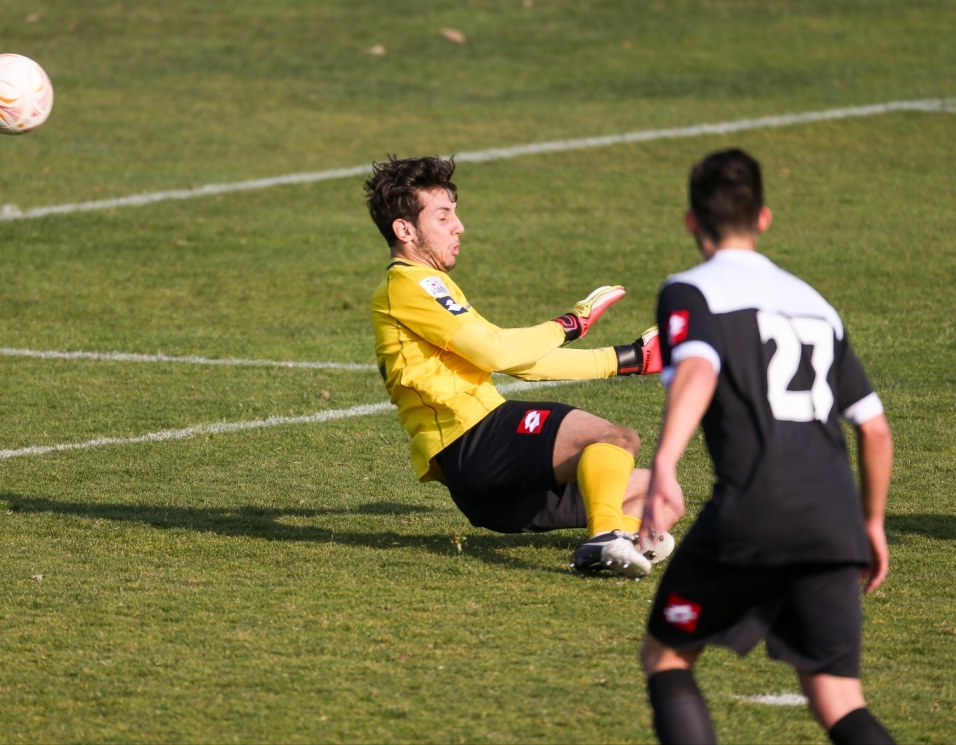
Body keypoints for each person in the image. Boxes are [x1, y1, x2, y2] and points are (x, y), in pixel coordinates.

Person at [637, 148, 895, 744]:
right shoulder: (814, 303)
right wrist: (872, 522)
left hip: (752, 510)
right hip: (832, 522)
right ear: (764, 218)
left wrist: (665, 464)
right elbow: (874, 428)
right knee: (836, 694)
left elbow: (698, 371)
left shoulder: (689, 292)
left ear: (691, 222)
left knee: (668, 658)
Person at [366, 155, 671, 577]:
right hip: (473, 438)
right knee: (614, 437)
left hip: (489, 490)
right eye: (443, 216)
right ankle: (605, 540)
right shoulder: (410, 284)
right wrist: (570, 325)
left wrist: (625, 359)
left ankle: (617, 549)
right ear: (405, 230)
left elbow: (517, 360)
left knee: (664, 495)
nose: (459, 226)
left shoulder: (427, 286)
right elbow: (498, 353)